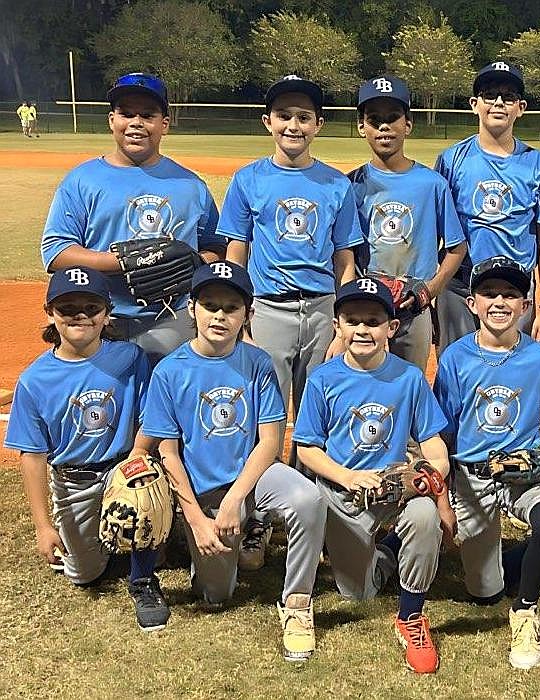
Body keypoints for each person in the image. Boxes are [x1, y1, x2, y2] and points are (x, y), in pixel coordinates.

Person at [139, 261, 326, 661]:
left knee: (308, 499)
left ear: (248, 314)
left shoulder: (257, 363)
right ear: (192, 309)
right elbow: (167, 452)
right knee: (216, 593)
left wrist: (234, 501)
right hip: (203, 489)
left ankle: (297, 604)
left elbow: (270, 441)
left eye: (231, 307)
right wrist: (197, 518)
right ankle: (193, 540)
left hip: (253, 478)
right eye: (209, 305)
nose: (219, 316)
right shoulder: (170, 371)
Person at [219, 74, 362, 566]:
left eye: (304, 116)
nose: (294, 124)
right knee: (266, 421)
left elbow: (345, 255)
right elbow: (237, 248)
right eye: (284, 115)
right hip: (269, 308)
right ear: (268, 122)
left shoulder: (336, 184)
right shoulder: (249, 179)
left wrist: (345, 316)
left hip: (322, 306)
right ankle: (259, 521)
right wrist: (239, 310)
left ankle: (313, 518)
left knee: (319, 417)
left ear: (318, 124)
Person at [293, 278, 452, 674]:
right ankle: (388, 553)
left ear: (391, 328)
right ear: (338, 327)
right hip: (343, 496)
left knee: (424, 514)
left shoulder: (409, 378)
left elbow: (434, 445)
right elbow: (306, 449)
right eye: (353, 320)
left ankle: (411, 616)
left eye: (373, 321)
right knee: (358, 594)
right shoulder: (323, 379)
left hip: (394, 494)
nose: (363, 329)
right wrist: (348, 477)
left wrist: (431, 474)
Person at [433, 256, 540, 670]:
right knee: (485, 592)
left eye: (511, 294)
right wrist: (446, 492)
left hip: (523, 471)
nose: (500, 302)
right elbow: (444, 431)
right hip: (472, 477)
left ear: (526, 304)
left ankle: (527, 610)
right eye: (489, 293)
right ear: (472, 303)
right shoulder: (454, 359)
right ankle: (539, 552)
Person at [4, 267, 170, 632]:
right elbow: (32, 457)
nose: (81, 315)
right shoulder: (34, 380)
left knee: (144, 490)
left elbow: (150, 418)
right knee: (84, 575)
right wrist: (43, 527)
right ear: (49, 312)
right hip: (73, 480)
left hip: (121, 466)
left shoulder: (128, 359)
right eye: (68, 308)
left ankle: (142, 578)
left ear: (107, 314)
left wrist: (135, 462)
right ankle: (112, 543)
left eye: (91, 307)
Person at [41, 73, 225, 363]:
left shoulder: (190, 185)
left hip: (170, 318)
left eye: (148, 115)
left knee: (167, 404)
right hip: (100, 319)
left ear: (164, 124)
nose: (136, 123)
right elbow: (55, 253)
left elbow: (216, 246)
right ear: (112, 120)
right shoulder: (82, 181)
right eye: (126, 113)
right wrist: (126, 263)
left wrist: (199, 262)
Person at [434, 62, 540, 352]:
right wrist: (433, 290)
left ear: (521, 107)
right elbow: (435, 233)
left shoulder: (539, 165)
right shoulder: (451, 160)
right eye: (490, 95)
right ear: (475, 104)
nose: (499, 103)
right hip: (459, 286)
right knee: (456, 369)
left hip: (514, 287)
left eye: (509, 96)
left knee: (511, 374)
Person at [348, 75, 466, 370]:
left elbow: (457, 248)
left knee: (410, 383)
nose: (384, 126)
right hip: (366, 304)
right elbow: (342, 251)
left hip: (414, 305)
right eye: (374, 119)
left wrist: (430, 290)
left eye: (393, 118)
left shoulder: (431, 184)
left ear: (408, 125)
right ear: (362, 127)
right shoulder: (350, 185)